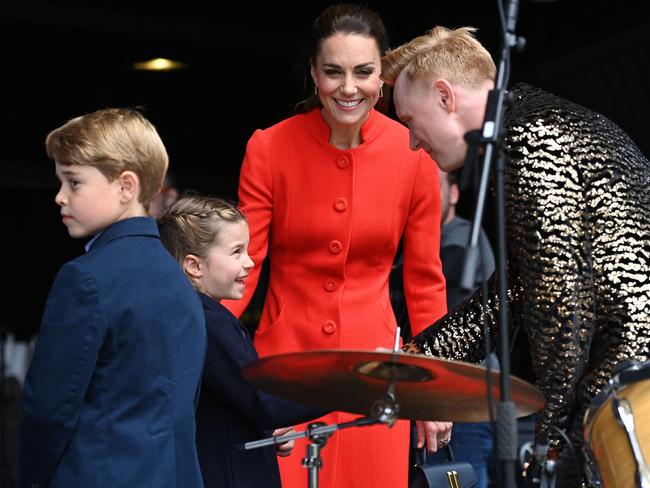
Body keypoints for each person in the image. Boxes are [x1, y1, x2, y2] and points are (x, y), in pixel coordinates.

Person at [382, 26, 650, 487]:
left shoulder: (531, 137)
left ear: (445, 96)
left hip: (632, 387)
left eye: (409, 120)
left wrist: (550, 444)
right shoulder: (540, 122)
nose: (411, 142)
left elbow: (558, 301)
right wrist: (419, 359)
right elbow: (519, 285)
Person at [221, 4, 450, 487]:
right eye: (333, 72)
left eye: (363, 72)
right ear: (313, 73)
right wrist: (222, 369)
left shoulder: (415, 155)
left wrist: (433, 392)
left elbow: (425, 283)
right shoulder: (268, 148)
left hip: (376, 381)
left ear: (383, 75)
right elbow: (243, 267)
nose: (349, 88)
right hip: (283, 375)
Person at [16, 108, 207, 488]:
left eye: (73, 182)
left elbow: (49, 409)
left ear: (126, 187)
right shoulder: (179, 278)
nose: (59, 197)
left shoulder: (85, 278)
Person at [157, 194, 329, 488]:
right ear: (194, 266)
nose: (249, 262)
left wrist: (261, 431)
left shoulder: (190, 317)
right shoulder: (210, 323)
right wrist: (350, 386)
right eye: (236, 252)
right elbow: (262, 401)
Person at [427, 169, 496, 488]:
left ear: (454, 194)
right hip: (436, 392)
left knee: (464, 477)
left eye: (433, 188)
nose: (425, 196)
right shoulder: (413, 244)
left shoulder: (462, 237)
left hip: (466, 394)